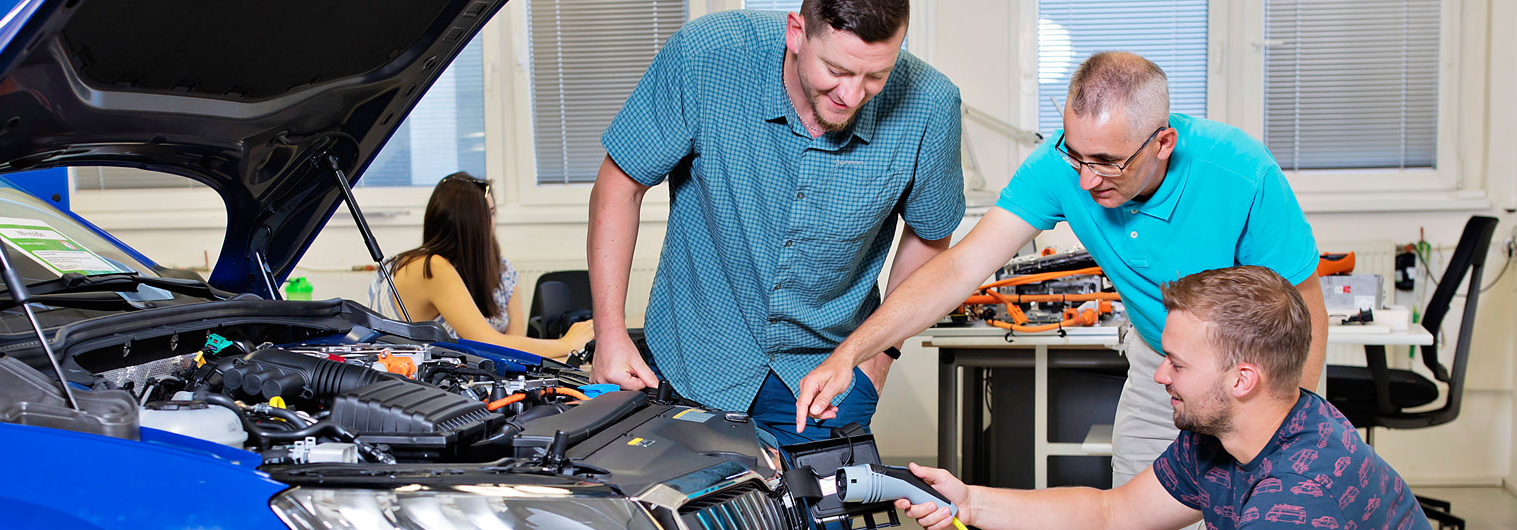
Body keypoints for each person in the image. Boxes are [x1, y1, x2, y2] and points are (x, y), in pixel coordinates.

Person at [794, 52, 1329, 484]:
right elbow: (960, 269)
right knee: (1137, 508)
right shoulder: (1060, 167)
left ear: (1163, 143)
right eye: (1076, 157)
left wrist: (1291, 428)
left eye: (1106, 163)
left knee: (1265, 500)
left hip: (1256, 371)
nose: (1086, 183)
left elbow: (1306, 308)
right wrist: (852, 352)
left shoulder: (1240, 171)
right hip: (1160, 357)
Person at [587, 0, 965, 446]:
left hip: (827, 381)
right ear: (796, 33)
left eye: (875, 76)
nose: (851, 94)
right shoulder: (707, 56)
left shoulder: (932, 105)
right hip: (692, 361)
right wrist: (608, 335)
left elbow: (930, 236)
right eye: (836, 70)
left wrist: (879, 355)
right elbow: (620, 187)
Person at [893, 266, 1428, 530]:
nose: (1159, 376)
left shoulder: (1300, 497)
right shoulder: (1226, 433)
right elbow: (1112, 511)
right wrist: (970, 501)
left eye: (1177, 363)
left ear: (1242, 380)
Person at [371, 172, 595, 358]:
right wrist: (567, 344)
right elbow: (487, 343)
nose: (493, 222)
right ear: (471, 223)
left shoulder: (500, 269)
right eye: (488, 214)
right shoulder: (430, 267)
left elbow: (513, 345)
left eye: (493, 212)